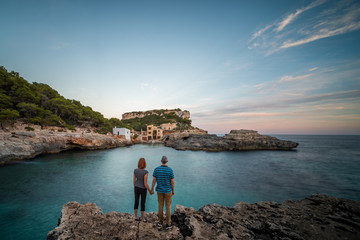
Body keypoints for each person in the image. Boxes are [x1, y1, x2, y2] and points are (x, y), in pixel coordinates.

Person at [151, 156, 175, 230]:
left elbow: (154, 180)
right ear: (167, 161)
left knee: (160, 206)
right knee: (168, 207)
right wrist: (173, 190)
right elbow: (172, 182)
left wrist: (152, 188)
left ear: (161, 161)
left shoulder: (157, 169)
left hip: (159, 191)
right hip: (168, 191)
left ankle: (160, 223)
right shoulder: (170, 170)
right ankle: (168, 224)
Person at [133, 158, 152, 222]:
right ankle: (143, 218)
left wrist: (135, 187)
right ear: (144, 164)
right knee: (142, 203)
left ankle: (136, 217)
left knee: (136, 201)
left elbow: (134, 181)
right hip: (143, 189)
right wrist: (150, 190)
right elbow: (145, 183)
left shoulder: (135, 170)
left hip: (136, 187)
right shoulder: (145, 172)